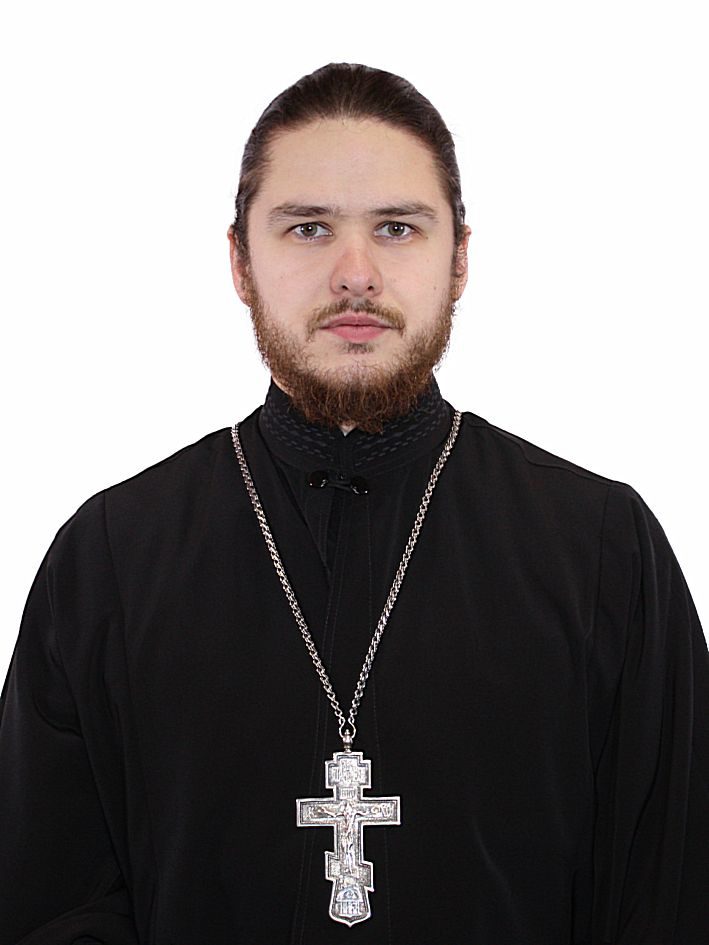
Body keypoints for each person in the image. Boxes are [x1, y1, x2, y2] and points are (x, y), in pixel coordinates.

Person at [0, 62, 707, 945]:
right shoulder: (109, 557)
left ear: (458, 259)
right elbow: (49, 905)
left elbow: (671, 894)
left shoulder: (603, 548)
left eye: (397, 228)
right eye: (307, 228)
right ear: (240, 262)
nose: (355, 273)